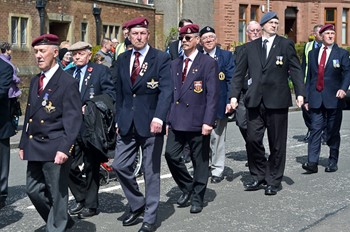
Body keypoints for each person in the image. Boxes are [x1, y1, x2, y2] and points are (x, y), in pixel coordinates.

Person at [229, 12, 305, 195]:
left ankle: (274, 180)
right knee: (253, 139)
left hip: (277, 101)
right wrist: (233, 96)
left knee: (277, 143)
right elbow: (239, 74)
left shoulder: (285, 44)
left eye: (277, 23)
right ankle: (258, 175)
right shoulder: (250, 47)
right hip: (255, 100)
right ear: (262, 25)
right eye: (271, 22)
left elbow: (295, 69)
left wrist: (300, 93)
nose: (275, 25)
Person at [112, 17, 173, 232]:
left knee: (150, 172)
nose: (139, 37)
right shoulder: (122, 58)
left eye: (143, 33)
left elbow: (166, 91)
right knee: (119, 165)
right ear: (128, 35)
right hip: (127, 122)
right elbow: (118, 92)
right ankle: (138, 203)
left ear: (148, 35)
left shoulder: (161, 58)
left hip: (151, 123)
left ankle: (149, 218)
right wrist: (118, 118)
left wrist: (160, 118)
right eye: (135, 33)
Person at [18, 34, 82, 231]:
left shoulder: (67, 82)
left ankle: (57, 226)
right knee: (33, 190)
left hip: (55, 145)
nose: (38, 55)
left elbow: (73, 120)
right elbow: (29, 113)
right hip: (35, 144)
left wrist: (65, 148)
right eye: (36, 52)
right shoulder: (37, 79)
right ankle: (62, 221)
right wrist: (22, 143)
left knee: (57, 193)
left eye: (42, 51)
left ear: (55, 53)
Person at [165, 24, 219, 213]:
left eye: (188, 38)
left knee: (200, 161)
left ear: (197, 40)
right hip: (177, 120)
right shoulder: (175, 64)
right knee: (170, 154)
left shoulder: (207, 63)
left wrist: (208, 121)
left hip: (198, 119)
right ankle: (188, 186)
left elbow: (212, 95)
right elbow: (170, 94)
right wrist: (167, 119)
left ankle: (197, 197)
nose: (184, 41)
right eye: (182, 38)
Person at [67, 41, 116, 219]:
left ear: (89, 54)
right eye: (74, 54)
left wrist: (90, 105)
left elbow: (110, 95)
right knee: (68, 164)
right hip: (72, 126)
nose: (77, 57)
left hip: (90, 125)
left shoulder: (99, 71)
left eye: (80, 53)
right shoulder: (69, 73)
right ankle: (81, 197)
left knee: (90, 165)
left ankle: (91, 205)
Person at [302, 24, 350, 174]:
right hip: (316, 97)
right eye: (327, 33)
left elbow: (347, 73)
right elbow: (310, 77)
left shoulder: (341, 53)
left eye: (332, 34)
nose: (330, 36)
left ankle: (332, 160)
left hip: (334, 98)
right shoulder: (313, 54)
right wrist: (307, 98)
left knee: (332, 131)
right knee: (315, 129)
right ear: (321, 36)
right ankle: (312, 162)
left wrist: (343, 88)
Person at [199, 26, 234, 183]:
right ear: (200, 41)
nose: (208, 40)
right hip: (200, 106)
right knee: (201, 139)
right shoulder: (198, 56)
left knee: (217, 138)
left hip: (220, 103)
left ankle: (217, 170)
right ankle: (203, 167)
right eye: (205, 38)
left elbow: (231, 79)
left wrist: (230, 101)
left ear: (216, 39)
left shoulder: (226, 56)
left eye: (211, 37)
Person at [233, 21, 262, 167]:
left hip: (259, 94)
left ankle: (256, 152)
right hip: (243, 93)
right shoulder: (240, 50)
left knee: (257, 125)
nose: (255, 33)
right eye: (252, 31)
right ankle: (251, 145)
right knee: (242, 122)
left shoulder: (264, 48)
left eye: (258, 30)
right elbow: (236, 73)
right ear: (247, 33)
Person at [301, 24, 327, 143]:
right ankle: (311, 129)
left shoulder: (327, 46)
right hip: (309, 81)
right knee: (305, 107)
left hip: (323, 83)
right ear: (314, 34)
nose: (322, 35)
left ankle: (323, 132)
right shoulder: (308, 46)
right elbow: (304, 65)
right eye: (319, 33)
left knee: (322, 108)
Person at [0, 47, 15, 210]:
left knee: (1, 163)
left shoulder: (4, 68)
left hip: (1, 124)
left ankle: (1, 194)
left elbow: (1, 91)